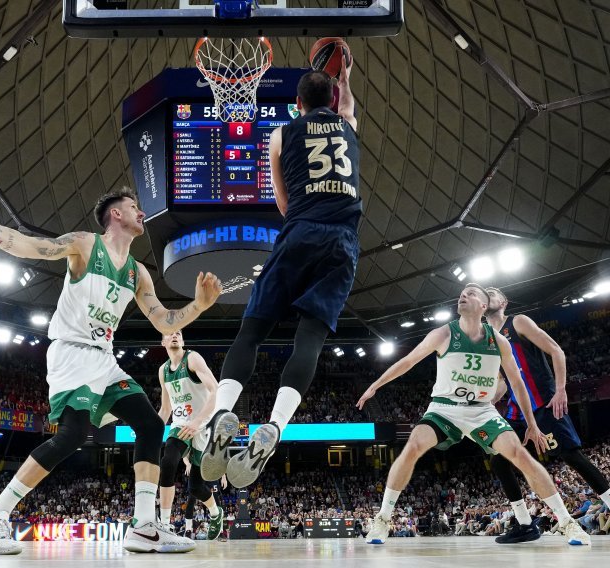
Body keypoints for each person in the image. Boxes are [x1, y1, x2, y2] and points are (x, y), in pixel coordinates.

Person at [0, 183, 221, 554]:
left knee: (151, 424)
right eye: (134, 206)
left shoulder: (138, 273)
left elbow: (164, 320)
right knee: (71, 437)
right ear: (117, 214)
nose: (142, 213)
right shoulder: (85, 244)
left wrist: (200, 306)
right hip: (71, 353)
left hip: (104, 359)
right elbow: (26, 245)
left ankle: (143, 526)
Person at [201, 44, 361, 489]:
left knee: (251, 331)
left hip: (300, 229)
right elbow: (346, 100)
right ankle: (275, 425)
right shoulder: (348, 125)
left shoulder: (281, 134)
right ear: (332, 99)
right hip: (343, 242)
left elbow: (282, 200)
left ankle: (222, 417)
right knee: (309, 337)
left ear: (297, 105)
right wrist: (343, 73)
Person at [356, 284, 591, 546]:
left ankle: (568, 523)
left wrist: (532, 424)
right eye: (461, 293)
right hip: (444, 407)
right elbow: (408, 361)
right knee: (414, 445)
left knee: (520, 455)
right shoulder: (443, 334)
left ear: (483, 305)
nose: (463, 295)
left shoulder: (499, 341)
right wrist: (375, 385)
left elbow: (517, 383)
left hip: (481, 410)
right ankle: (382, 520)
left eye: (471, 293)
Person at [485, 286, 610, 543]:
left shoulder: (518, 322)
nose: (487, 294)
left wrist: (561, 388)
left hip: (543, 402)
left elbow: (556, 350)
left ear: (504, 302)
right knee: (498, 460)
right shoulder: (488, 339)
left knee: (570, 456)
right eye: (484, 292)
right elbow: (501, 381)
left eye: (493, 292)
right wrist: (483, 400)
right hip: (517, 411)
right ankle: (524, 524)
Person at [157, 330, 224, 541]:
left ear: (183, 340)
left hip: (203, 424)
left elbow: (215, 390)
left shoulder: (192, 358)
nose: (175, 335)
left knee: (195, 487)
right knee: (168, 462)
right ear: (163, 342)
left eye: (179, 332)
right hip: (181, 425)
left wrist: (197, 421)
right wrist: (154, 431)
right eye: (170, 333)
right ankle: (164, 526)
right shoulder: (163, 370)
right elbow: (166, 407)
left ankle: (216, 513)